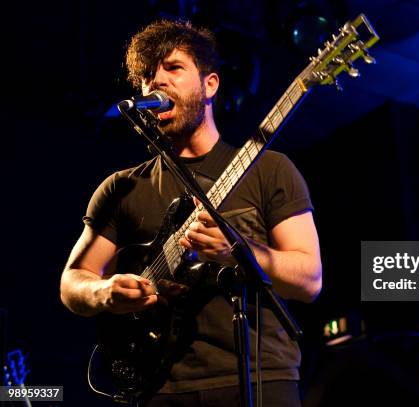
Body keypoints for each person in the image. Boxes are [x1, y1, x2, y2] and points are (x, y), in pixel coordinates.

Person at [59, 19, 322, 406]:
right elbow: (72, 282)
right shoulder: (121, 187)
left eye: (174, 68)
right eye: (148, 76)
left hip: (260, 377)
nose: (157, 82)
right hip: (159, 386)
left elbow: (309, 281)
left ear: (210, 84)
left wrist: (238, 251)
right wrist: (103, 292)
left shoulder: (270, 168)